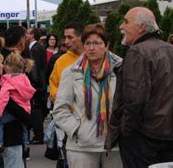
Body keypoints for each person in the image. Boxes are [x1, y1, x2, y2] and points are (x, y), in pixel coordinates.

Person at [107, 7, 173, 167]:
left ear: (141, 27)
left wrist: (125, 132)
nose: (121, 26)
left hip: (144, 139)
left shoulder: (137, 52)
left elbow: (134, 102)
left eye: (126, 22)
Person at [53, 24, 122, 167]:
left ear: (107, 45)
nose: (92, 48)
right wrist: (77, 130)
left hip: (115, 145)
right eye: (88, 43)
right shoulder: (72, 72)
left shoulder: (121, 69)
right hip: (81, 147)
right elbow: (60, 109)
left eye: (97, 43)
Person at [0, 51, 35, 156]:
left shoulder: (7, 81)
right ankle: (26, 146)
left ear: (7, 67)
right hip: (25, 109)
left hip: (13, 111)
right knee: (24, 127)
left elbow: (3, 98)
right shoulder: (24, 78)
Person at [49, 22, 84, 103]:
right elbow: (53, 83)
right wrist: (57, 96)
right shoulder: (61, 61)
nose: (66, 42)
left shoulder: (93, 59)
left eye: (70, 37)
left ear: (81, 37)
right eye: (65, 38)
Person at [25, 27, 47, 144]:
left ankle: (39, 135)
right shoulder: (38, 47)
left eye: (27, 33)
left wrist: (35, 82)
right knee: (36, 109)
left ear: (32, 35)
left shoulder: (34, 48)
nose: (25, 36)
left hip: (37, 83)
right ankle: (38, 134)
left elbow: (35, 66)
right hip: (39, 82)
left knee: (36, 110)